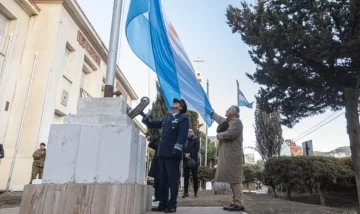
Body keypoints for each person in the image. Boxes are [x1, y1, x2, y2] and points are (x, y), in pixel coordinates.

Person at [142, 98, 189, 213]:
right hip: (162, 153)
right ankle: (163, 204)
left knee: (172, 180)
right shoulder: (167, 119)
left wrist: (177, 147)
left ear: (180, 107)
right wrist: (145, 118)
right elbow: (154, 124)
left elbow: (182, 135)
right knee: (162, 180)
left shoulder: (183, 119)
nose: (173, 103)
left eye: (176, 103)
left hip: (173, 153)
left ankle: (172, 205)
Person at [211, 106, 245, 212]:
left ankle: (239, 203)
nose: (226, 110)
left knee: (235, 179)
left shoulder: (237, 122)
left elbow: (230, 134)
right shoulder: (229, 121)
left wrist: (219, 135)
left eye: (229, 109)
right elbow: (221, 120)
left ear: (234, 112)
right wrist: (212, 113)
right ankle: (235, 203)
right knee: (232, 179)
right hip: (229, 155)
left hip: (234, 156)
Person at [182, 129, 200, 198]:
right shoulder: (184, 140)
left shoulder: (196, 139)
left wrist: (190, 154)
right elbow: (182, 148)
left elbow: (196, 149)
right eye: (188, 131)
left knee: (195, 176)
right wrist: (185, 154)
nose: (189, 132)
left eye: (190, 131)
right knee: (186, 177)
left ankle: (195, 192)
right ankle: (185, 192)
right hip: (185, 160)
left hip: (193, 160)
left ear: (193, 132)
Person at [147, 133, 161, 202]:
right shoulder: (158, 145)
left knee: (162, 182)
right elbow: (150, 145)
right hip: (157, 165)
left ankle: (162, 197)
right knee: (157, 182)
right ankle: (157, 197)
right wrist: (155, 139)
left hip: (163, 165)